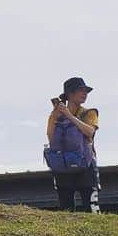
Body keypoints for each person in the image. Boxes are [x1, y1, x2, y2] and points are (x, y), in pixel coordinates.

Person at [46, 77, 99, 212]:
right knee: (66, 210)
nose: (85, 94)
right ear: (70, 93)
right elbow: (51, 138)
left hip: (85, 163)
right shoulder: (55, 115)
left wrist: (69, 116)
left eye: (86, 91)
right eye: (81, 90)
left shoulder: (89, 113)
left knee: (91, 208)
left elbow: (90, 132)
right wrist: (57, 115)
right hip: (62, 164)